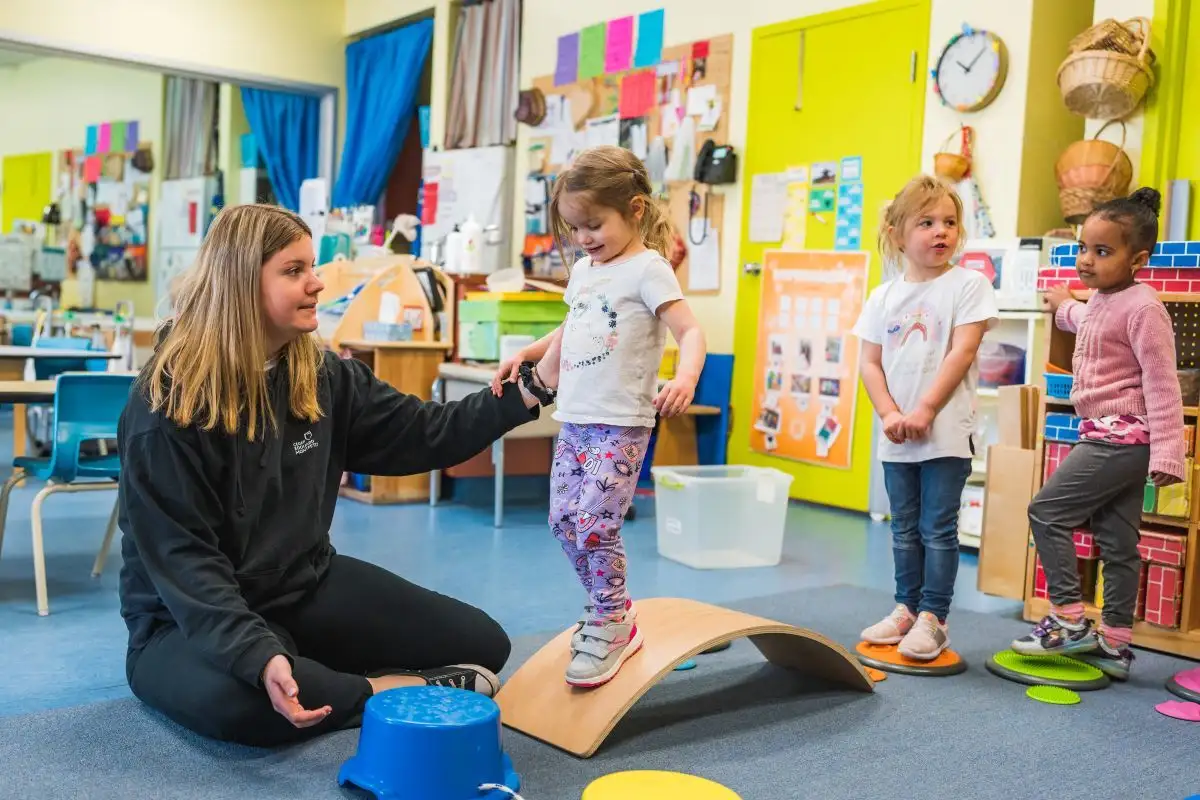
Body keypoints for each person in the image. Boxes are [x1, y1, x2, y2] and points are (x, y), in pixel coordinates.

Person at [118, 204, 548, 748]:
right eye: (294, 270)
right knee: (242, 702)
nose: (317, 283)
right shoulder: (166, 406)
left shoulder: (320, 375)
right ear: (241, 283)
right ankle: (381, 689)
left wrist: (533, 387)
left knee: (483, 644)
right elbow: (185, 562)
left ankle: (315, 670)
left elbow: (427, 432)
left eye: (312, 267)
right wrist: (255, 653)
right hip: (182, 620)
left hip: (303, 585)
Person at [491, 146, 706, 687]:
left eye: (594, 224)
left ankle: (612, 617)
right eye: (575, 228)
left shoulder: (649, 269)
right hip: (577, 419)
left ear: (634, 209)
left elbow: (691, 331)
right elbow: (571, 330)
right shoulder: (587, 271)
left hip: (621, 423)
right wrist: (528, 353)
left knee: (595, 524)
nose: (584, 238)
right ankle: (612, 609)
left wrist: (684, 378)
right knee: (563, 522)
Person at [1012, 187, 1184, 680]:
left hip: (1121, 437)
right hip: (1114, 437)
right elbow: (1089, 321)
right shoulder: (1109, 300)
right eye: (1084, 248)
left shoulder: (1144, 308)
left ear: (1139, 260)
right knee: (1117, 542)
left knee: (1046, 511)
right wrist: (1064, 305)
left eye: (1102, 252)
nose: (1087, 260)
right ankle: (1115, 641)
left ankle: (1068, 618)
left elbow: (1162, 381)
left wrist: (1169, 454)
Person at [852, 175, 998, 661]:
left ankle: (935, 617)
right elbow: (869, 363)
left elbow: (963, 350)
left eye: (950, 223)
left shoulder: (969, 285)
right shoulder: (882, 297)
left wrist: (925, 409)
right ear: (896, 233)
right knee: (903, 527)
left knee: (938, 527)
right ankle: (906, 608)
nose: (941, 232)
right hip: (897, 433)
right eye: (927, 223)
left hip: (945, 434)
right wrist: (891, 412)